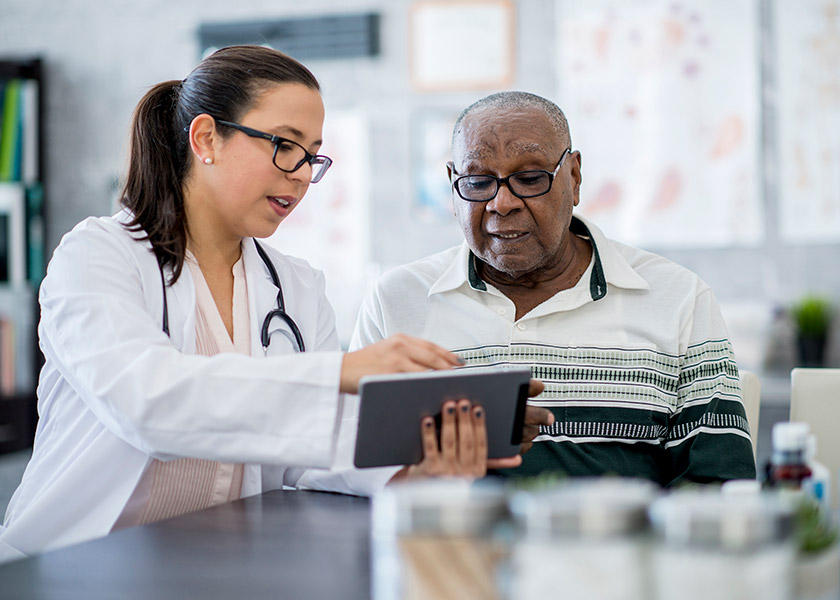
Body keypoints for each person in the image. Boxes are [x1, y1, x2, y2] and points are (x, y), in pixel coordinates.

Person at [0, 46, 527, 563]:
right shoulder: (97, 255)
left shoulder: (296, 287)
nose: (300, 173)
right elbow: (146, 404)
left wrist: (415, 463)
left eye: (312, 155)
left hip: (216, 565)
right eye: (284, 144)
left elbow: (316, 448)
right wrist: (337, 372)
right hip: (74, 566)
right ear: (206, 138)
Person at [351, 91, 757, 486]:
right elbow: (347, 472)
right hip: (447, 550)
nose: (502, 203)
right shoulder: (396, 301)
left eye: (529, 179)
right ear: (453, 185)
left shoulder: (678, 298)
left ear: (575, 177)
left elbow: (719, 487)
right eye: (477, 182)